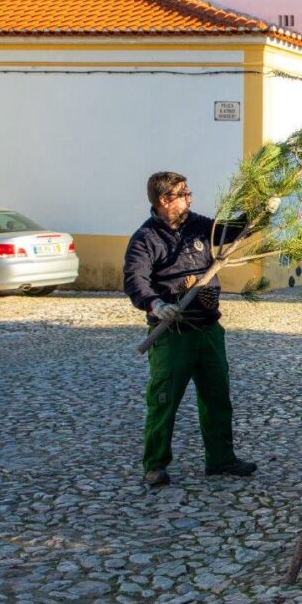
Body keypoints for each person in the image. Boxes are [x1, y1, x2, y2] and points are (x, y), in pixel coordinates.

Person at [123, 171, 279, 487]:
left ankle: (221, 459)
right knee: (163, 400)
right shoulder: (146, 239)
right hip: (172, 334)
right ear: (164, 199)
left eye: (189, 192)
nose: (190, 198)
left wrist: (261, 213)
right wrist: (155, 304)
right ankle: (155, 464)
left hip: (208, 329)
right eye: (183, 194)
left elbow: (229, 232)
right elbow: (134, 280)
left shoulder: (197, 226)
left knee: (217, 398)